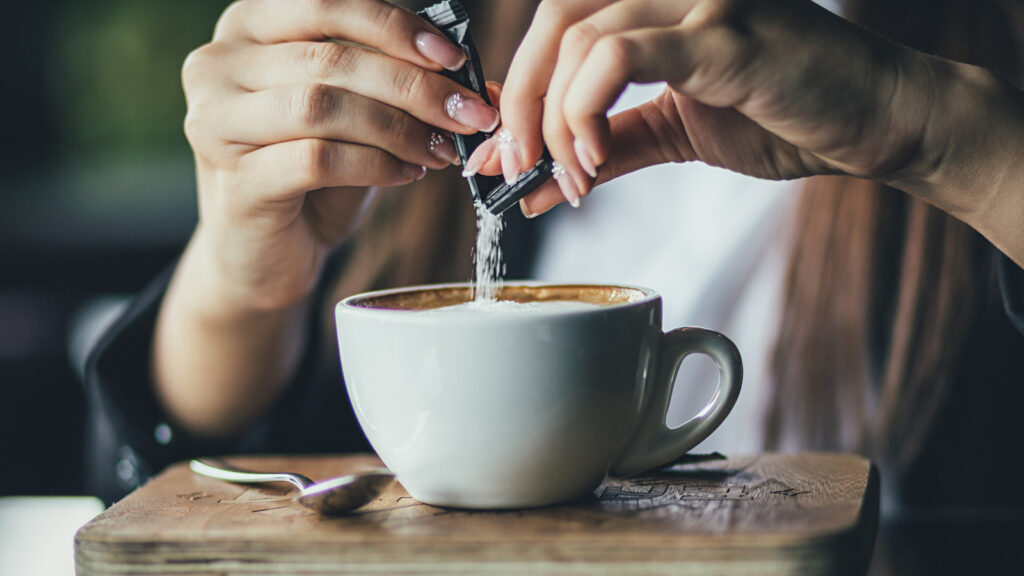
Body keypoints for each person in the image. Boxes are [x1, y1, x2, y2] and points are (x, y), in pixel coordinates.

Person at [86, 0, 1024, 531]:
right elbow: (164, 485)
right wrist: (242, 286)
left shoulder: (977, 62)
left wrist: (944, 139)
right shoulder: (442, 52)